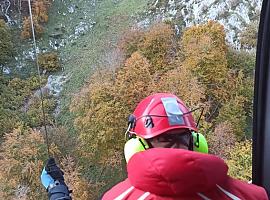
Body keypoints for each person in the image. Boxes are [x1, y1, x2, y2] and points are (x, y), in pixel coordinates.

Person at [41, 93, 269, 200]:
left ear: (137, 147)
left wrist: (57, 191)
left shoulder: (117, 197)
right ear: (197, 143)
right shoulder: (250, 195)